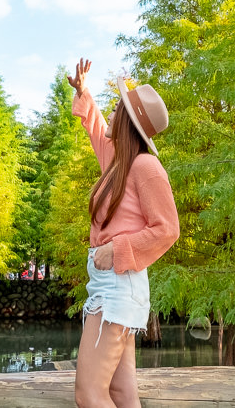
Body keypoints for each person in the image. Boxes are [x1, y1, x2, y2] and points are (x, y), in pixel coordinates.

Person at [67, 58, 180, 408]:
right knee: (119, 393)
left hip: (119, 282)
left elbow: (168, 229)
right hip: (111, 284)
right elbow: (97, 130)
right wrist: (84, 92)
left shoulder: (146, 167)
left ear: (129, 122)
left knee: (89, 394)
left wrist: (116, 249)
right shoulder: (118, 162)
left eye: (118, 108)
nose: (113, 112)